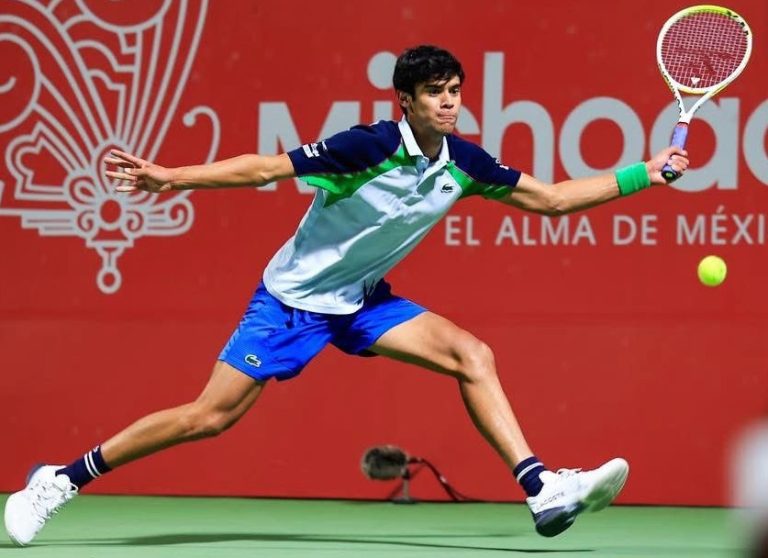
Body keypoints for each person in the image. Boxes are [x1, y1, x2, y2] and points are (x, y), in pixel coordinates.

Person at [4, 45, 689, 545]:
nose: (449, 103)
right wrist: (174, 177)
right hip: (293, 302)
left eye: (455, 90)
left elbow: (554, 199)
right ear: (407, 102)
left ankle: (543, 489)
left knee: (471, 354)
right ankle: (59, 480)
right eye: (435, 93)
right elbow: (267, 167)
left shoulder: (466, 162)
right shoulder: (365, 147)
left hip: (361, 299)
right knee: (207, 419)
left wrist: (645, 174)